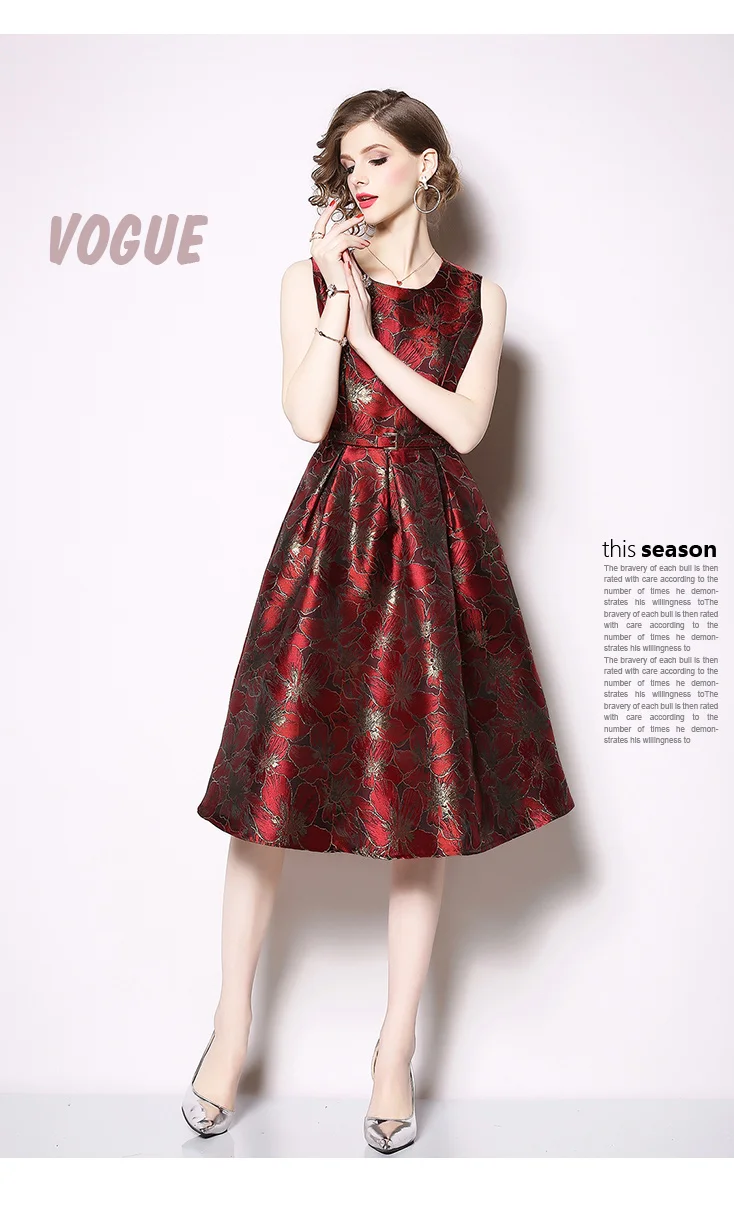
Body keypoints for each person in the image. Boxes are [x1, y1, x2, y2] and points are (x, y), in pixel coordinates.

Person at [181, 88, 575, 1154]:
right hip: (330, 541)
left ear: (427, 164)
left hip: (435, 549)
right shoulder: (308, 278)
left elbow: (464, 426)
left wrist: (369, 335)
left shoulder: (479, 299)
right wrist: (333, 313)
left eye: (377, 157)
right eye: (346, 162)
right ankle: (230, 1028)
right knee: (265, 788)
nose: (358, 177)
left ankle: (394, 1049)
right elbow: (309, 417)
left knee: (426, 797)